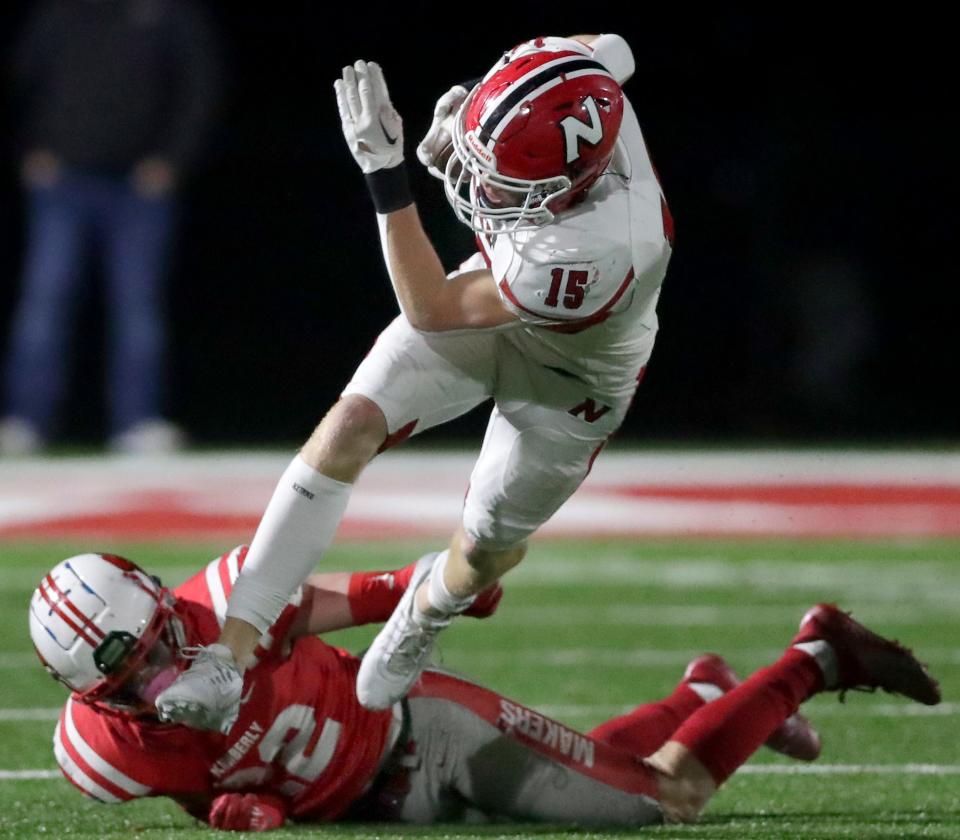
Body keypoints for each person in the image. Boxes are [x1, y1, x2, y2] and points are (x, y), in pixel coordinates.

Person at [157, 32, 675, 731]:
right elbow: (607, 48)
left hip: (572, 375)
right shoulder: (566, 73)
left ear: (568, 187)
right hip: (496, 298)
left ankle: (428, 605)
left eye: (506, 181)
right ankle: (229, 655)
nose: (482, 186)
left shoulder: (599, 250)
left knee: (486, 545)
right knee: (348, 425)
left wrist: (383, 171)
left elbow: (431, 309)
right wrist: (470, 114)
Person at [30, 549, 939, 830]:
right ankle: (703, 691)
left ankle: (817, 657)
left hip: (425, 736)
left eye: (159, 644)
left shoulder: (229, 609)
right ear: (96, 697)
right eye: (134, 674)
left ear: (162, 605)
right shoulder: (103, 754)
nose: (162, 674)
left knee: (668, 800)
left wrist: (439, 584)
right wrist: (227, 807)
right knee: (612, 768)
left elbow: (364, 598)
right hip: (366, 811)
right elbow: (193, 780)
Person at [0, 0, 221, 456]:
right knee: (44, 303)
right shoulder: (62, 11)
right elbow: (22, 78)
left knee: (137, 308)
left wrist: (172, 161)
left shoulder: (169, 13)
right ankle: (25, 420)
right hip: (64, 181)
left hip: (137, 189)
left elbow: (200, 86)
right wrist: (31, 147)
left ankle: (136, 422)